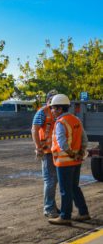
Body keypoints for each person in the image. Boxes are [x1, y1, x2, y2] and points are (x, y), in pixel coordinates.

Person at [47, 94, 90, 225]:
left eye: (53, 108)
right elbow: (84, 139)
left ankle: (65, 216)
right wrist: (80, 152)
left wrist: (71, 154)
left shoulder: (60, 122)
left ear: (60, 109)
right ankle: (83, 212)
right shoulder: (76, 120)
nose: (52, 111)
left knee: (65, 190)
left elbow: (62, 142)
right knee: (74, 187)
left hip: (65, 161)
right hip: (76, 160)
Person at [31, 89, 59, 218]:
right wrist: (38, 147)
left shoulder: (59, 111)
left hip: (57, 151)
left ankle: (52, 206)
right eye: (52, 99)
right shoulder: (42, 112)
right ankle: (48, 208)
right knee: (50, 180)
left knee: (55, 180)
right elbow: (34, 130)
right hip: (47, 151)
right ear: (48, 100)